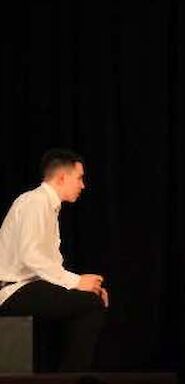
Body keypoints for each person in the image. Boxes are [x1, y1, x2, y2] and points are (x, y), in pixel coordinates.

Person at [0, 148, 108, 372]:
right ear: (61, 178)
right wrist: (77, 282)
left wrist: (84, 286)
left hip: (29, 286)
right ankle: (70, 377)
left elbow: (49, 265)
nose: (83, 185)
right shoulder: (35, 202)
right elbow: (31, 256)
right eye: (79, 178)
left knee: (90, 298)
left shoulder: (47, 206)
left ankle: (66, 373)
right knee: (91, 304)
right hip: (12, 290)